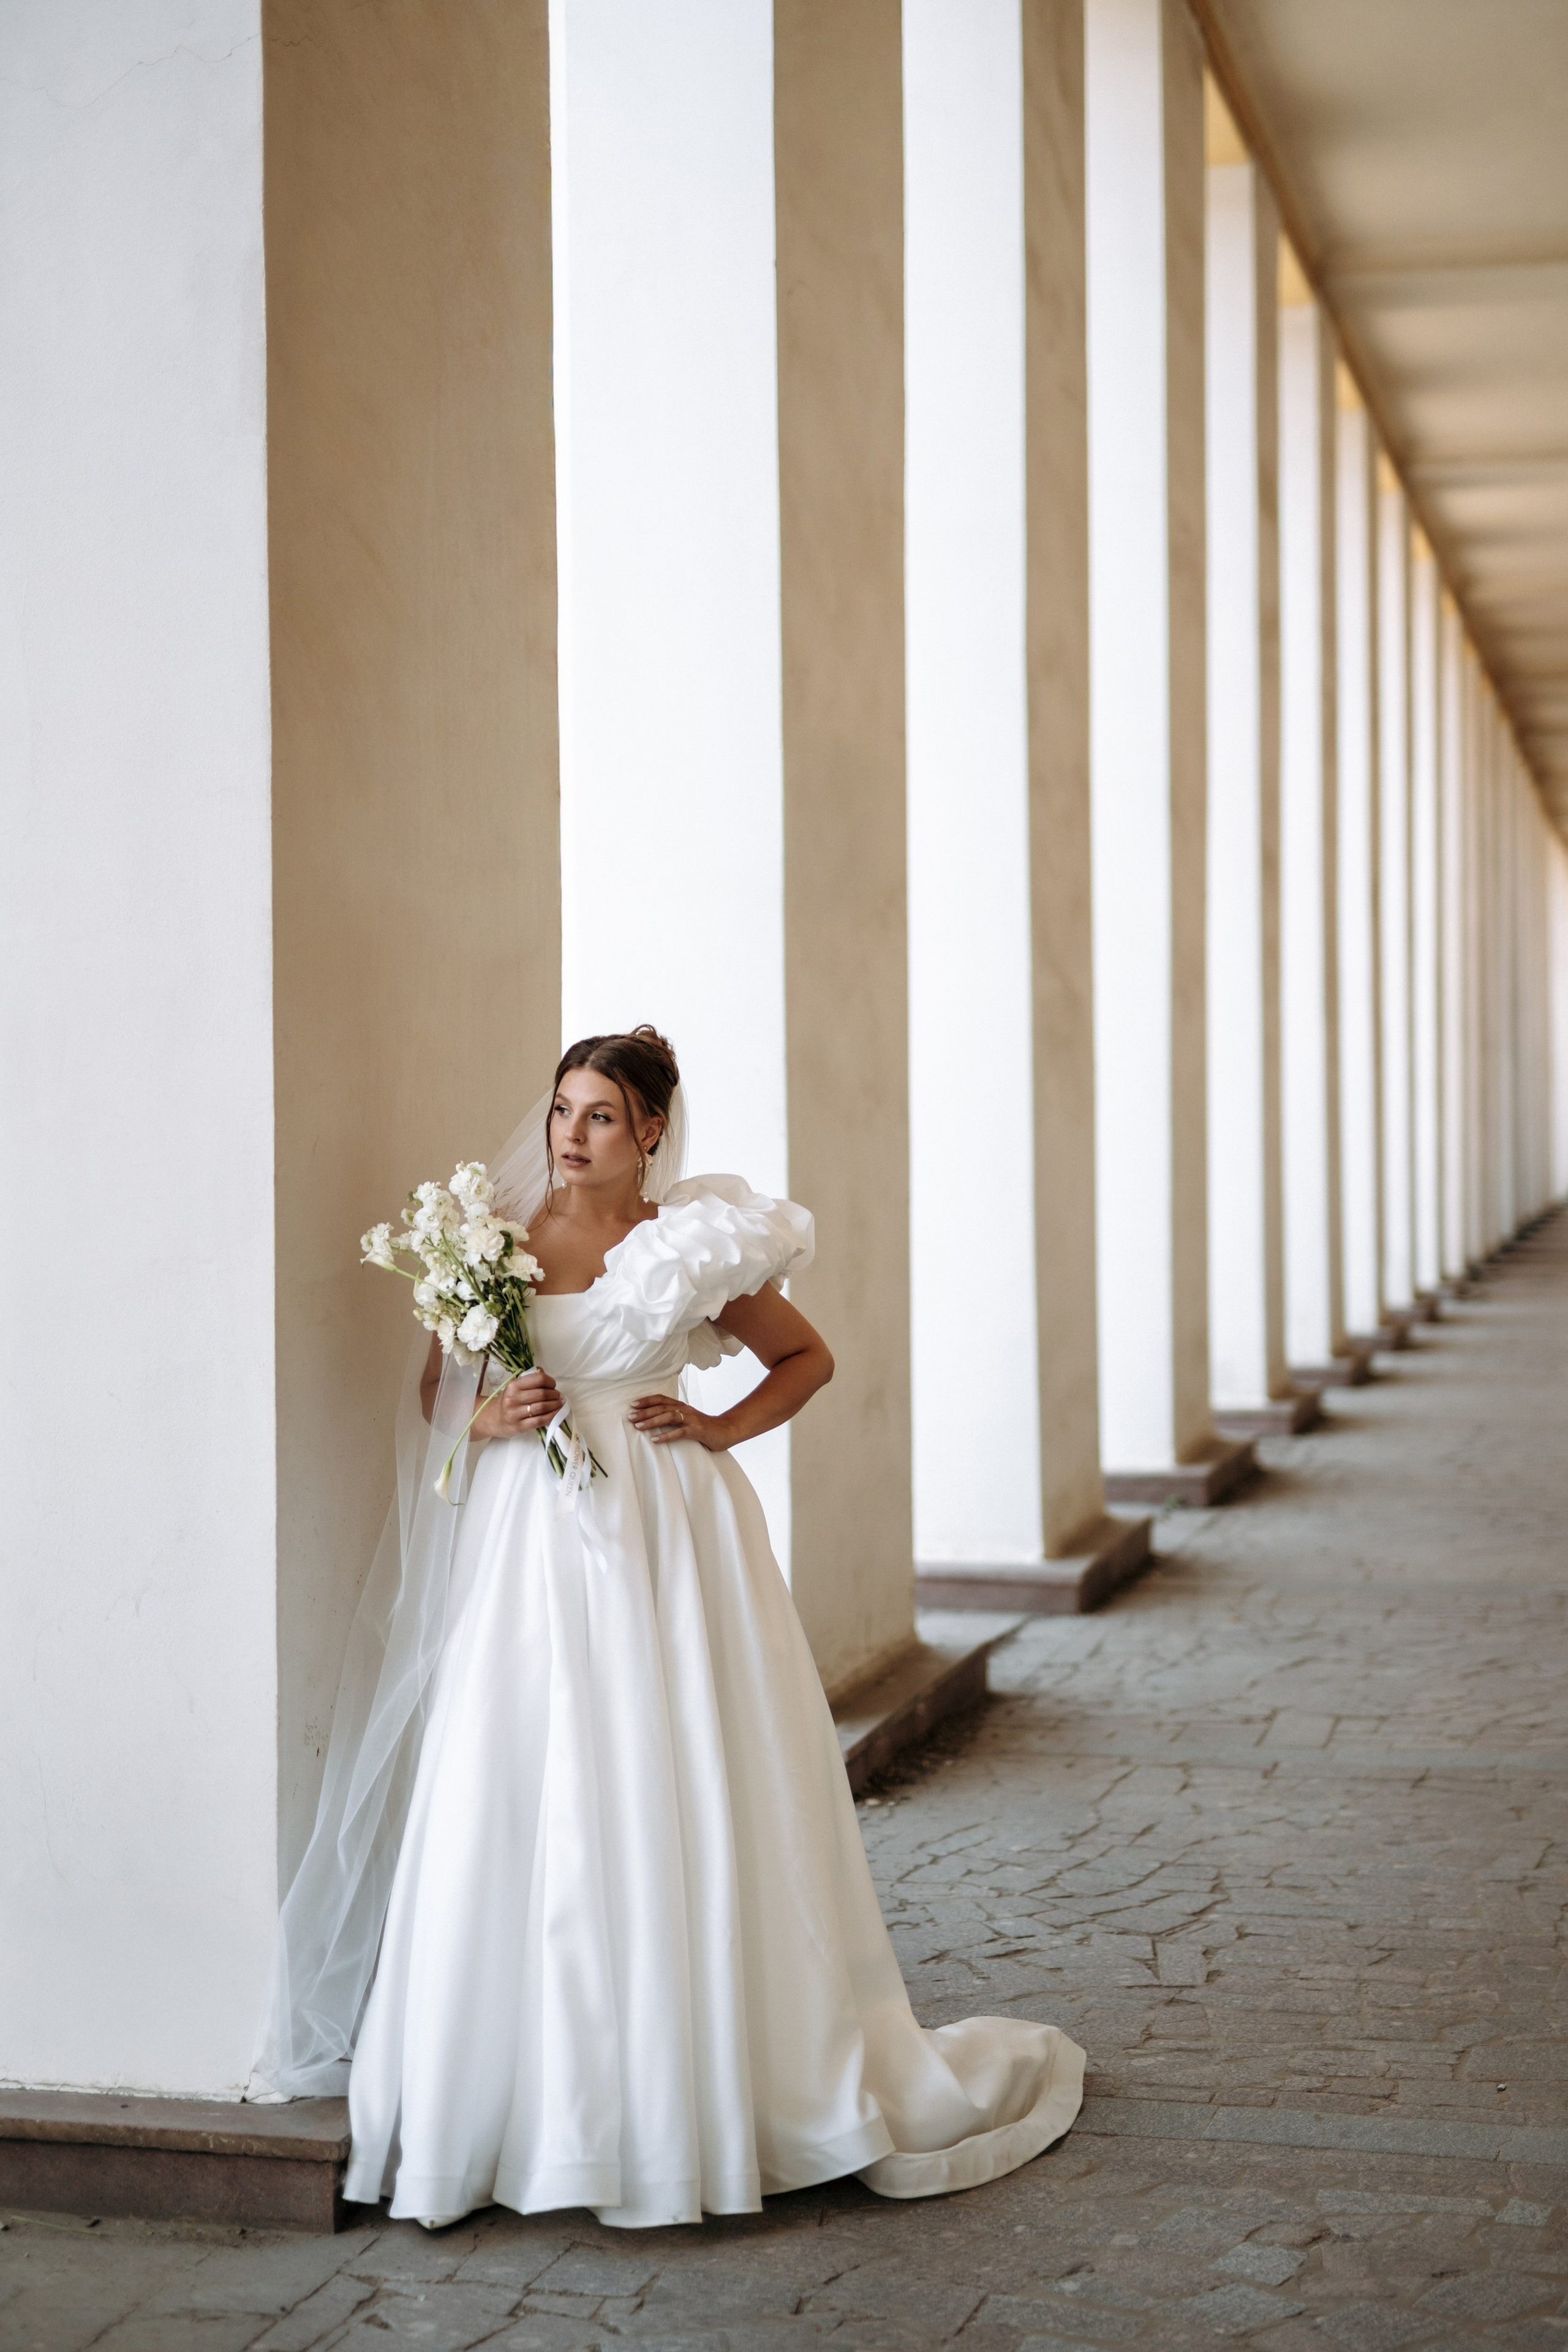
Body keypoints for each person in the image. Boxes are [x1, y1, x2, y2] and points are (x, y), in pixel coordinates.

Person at [251, 1027, 1083, 2228]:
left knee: (669, 1761)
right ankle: (525, 2101)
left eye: (597, 1116)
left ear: (651, 1131)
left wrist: (716, 1432)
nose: (568, 1137)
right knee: (521, 1771)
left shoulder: (687, 1247)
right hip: (528, 1535)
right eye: (559, 1111)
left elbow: (806, 1358)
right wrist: (491, 1419)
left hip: (663, 1531)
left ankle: (710, 2086)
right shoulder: (495, 1242)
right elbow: (434, 1391)